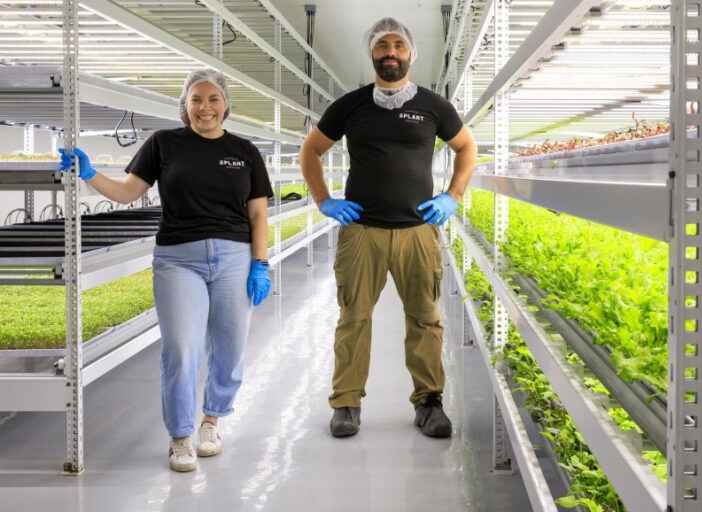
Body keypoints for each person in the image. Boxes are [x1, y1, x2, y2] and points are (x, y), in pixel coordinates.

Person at [58, 69, 273, 472]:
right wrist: (89, 175)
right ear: (184, 104)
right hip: (178, 259)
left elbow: (258, 212)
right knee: (181, 348)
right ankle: (180, 436)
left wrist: (260, 263)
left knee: (230, 346)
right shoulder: (164, 143)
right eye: (196, 99)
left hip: (234, 257)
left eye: (212, 99)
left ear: (225, 104)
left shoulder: (245, 150)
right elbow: (126, 193)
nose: (204, 107)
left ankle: (212, 420)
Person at [299, 17, 477, 439]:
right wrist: (324, 200)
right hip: (362, 232)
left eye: (398, 45)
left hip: (418, 231)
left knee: (425, 318)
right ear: (372, 54)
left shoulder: (434, 106)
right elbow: (312, 150)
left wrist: (453, 194)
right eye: (383, 46)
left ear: (411, 53)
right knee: (353, 317)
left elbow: (467, 147)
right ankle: (346, 404)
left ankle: (429, 402)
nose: (391, 53)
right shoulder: (352, 105)